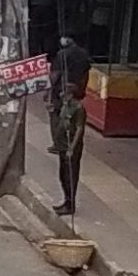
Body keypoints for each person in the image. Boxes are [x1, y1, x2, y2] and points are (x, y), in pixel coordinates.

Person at [52, 81, 89, 218]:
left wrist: (72, 147)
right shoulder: (66, 106)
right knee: (62, 175)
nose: (62, 95)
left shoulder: (78, 108)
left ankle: (70, 204)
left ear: (71, 95)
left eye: (65, 93)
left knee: (70, 176)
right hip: (62, 145)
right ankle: (66, 200)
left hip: (70, 146)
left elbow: (79, 129)